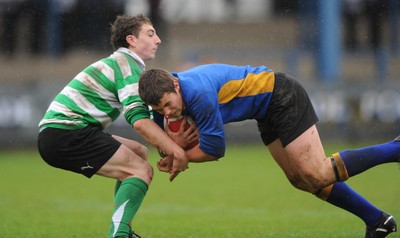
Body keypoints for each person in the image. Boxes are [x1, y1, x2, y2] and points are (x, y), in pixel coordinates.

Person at [138, 64, 398, 238]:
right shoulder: (165, 96)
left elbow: (215, 149)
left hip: (281, 95)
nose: (167, 113)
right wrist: (171, 151)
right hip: (265, 111)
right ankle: (377, 221)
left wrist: (181, 157)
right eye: (159, 110)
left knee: (317, 173)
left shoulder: (198, 94)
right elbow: (164, 141)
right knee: (302, 180)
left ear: (176, 85)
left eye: (168, 105)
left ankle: (394, 149)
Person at [37, 14, 190, 238]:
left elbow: (145, 124)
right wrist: (176, 150)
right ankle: (119, 234)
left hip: (64, 131)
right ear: (131, 40)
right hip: (67, 133)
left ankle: (122, 231)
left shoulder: (122, 63)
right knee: (140, 171)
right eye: (150, 33)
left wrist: (168, 146)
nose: (157, 40)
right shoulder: (127, 66)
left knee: (138, 152)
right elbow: (139, 121)